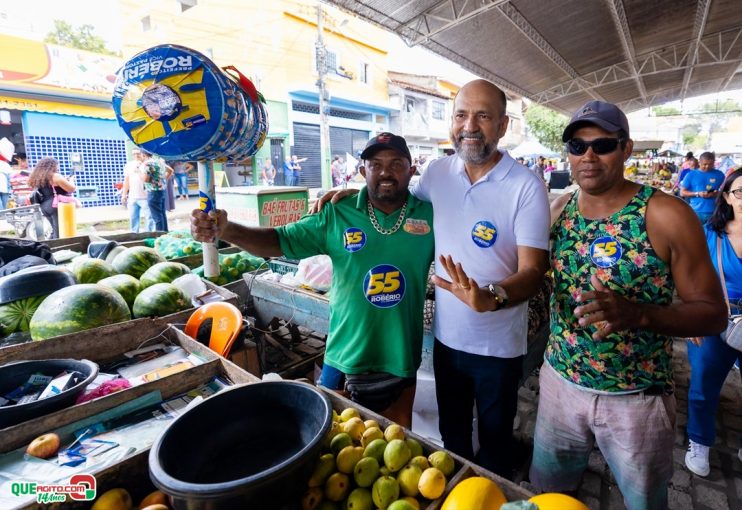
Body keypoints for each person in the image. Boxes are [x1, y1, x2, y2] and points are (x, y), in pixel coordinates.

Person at [312, 80, 551, 478]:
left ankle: (491, 496)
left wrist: (493, 295)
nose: (469, 126)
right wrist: (349, 191)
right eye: (461, 115)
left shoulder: (526, 186)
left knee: (494, 441)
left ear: (504, 126)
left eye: (483, 116)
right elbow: (391, 192)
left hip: (498, 347)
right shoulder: (439, 173)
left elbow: (533, 270)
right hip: (448, 342)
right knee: (451, 438)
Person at [529, 100, 727, 510]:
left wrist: (638, 313)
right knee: (547, 497)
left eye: (602, 145)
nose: (587, 156)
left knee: (643, 503)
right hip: (560, 387)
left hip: (636, 400)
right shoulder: (558, 211)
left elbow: (712, 312)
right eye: (577, 145)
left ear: (626, 149)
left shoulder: (666, 214)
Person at [190, 133, 434, 427]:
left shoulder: (431, 216)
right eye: (375, 164)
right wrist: (227, 230)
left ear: (411, 170)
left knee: (397, 447)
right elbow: (278, 241)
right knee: (334, 443)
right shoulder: (336, 213)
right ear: (361, 171)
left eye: (396, 163)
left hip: (401, 358)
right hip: (346, 355)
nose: (385, 171)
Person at [684, 167, 742, 478]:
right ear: (727, 196)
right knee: (704, 386)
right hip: (713, 320)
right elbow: (689, 277)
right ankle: (700, 442)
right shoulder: (710, 234)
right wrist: (691, 317)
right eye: (739, 192)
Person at [27, 157, 76, 239]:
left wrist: (64, 180)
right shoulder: (55, 176)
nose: (58, 168)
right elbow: (71, 188)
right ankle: (57, 249)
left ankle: (50, 247)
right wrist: (71, 180)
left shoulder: (37, 177)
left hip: (44, 206)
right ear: (52, 166)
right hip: (56, 205)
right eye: (57, 165)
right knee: (60, 232)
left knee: (54, 231)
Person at [680, 152, 725, 223]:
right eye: (705, 164)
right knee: (696, 233)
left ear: (714, 162)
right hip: (696, 211)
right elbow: (682, 193)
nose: (707, 166)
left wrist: (715, 194)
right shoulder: (691, 175)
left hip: (714, 211)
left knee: (713, 233)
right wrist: (698, 194)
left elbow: (725, 191)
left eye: (710, 164)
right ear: (699, 162)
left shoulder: (719, 174)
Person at [121, 149, 152, 233]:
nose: (136, 156)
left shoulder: (147, 164)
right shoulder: (128, 165)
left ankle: (149, 235)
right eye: (134, 154)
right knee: (133, 218)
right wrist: (124, 194)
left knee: (149, 218)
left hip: (145, 196)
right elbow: (126, 180)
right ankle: (134, 235)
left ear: (142, 154)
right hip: (133, 197)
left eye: (138, 153)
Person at [141, 150, 172, 232]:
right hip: (161, 190)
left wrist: (139, 173)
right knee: (162, 214)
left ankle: (159, 236)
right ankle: (165, 234)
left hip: (153, 191)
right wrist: (163, 180)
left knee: (157, 217)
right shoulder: (159, 162)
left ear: (143, 154)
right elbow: (170, 170)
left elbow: (146, 179)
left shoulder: (147, 164)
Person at [0, 137, 13, 210]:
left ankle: (1, 216)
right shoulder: (6, 165)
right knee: (6, 203)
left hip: (5, 186)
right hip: (5, 187)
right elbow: (11, 176)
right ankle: (5, 214)